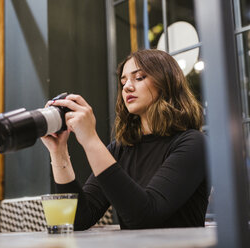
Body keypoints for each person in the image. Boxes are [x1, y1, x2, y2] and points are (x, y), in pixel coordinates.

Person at [41, 49, 209, 230]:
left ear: (166, 83)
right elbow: (78, 219)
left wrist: (90, 139)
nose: (127, 86)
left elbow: (145, 216)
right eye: (124, 81)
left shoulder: (194, 143)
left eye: (139, 78)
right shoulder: (120, 150)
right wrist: (59, 152)